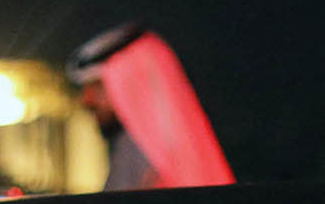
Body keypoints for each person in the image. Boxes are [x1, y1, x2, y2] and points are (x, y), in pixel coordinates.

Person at [66, 23, 234, 190]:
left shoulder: (145, 153)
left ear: (131, 82)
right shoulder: (129, 148)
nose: (86, 100)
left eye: (97, 86)